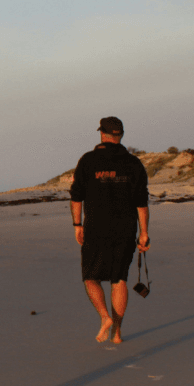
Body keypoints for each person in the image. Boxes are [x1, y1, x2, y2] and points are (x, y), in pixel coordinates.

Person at [70, 116, 151, 344]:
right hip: (125, 229)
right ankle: (117, 331)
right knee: (119, 280)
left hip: (95, 227)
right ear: (120, 135)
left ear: (102, 134)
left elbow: (76, 197)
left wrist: (77, 224)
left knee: (90, 277)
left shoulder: (88, 160)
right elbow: (141, 202)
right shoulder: (134, 163)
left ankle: (104, 317)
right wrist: (144, 232)